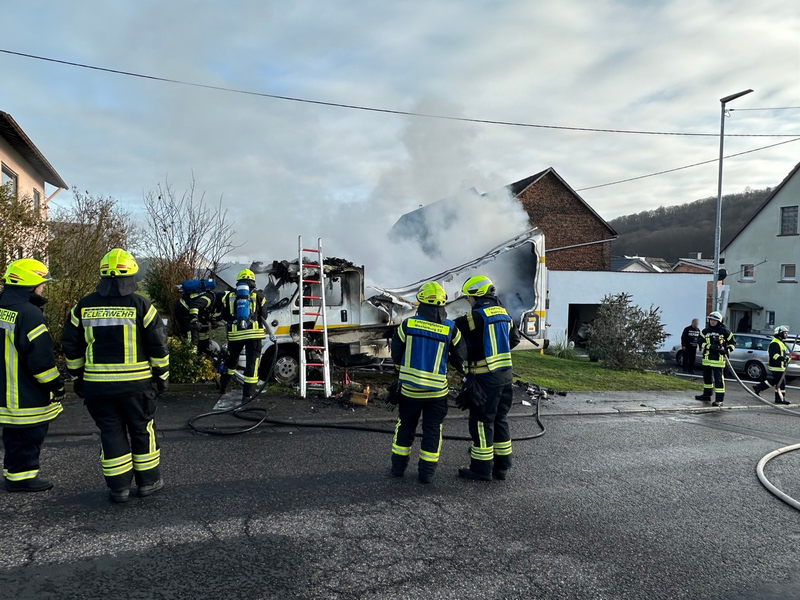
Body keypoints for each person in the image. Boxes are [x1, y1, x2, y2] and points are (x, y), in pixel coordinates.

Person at [61, 249, 169, 503]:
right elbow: (158, 346)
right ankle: (149, 482)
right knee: (142, 429)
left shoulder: (83, 306)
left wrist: (78, 377)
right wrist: (162, 376)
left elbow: (71, 345)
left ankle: (118, 489)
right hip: (137, 387)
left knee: (111, 432)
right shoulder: (142, 305)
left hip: (98, 388)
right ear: (131, 275)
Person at [388, 282, 466, 484]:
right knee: (433, 430)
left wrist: (400, 373)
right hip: (437, 393)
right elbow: (460, 357)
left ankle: (398, 469)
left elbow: (396, 354)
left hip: (410, 391)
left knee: (405, 427)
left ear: (421, 301)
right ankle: (426, 473)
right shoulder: (451, 328)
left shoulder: (408, 325)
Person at [1, 259, 65, 493]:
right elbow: (41, 361)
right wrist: (56, 386)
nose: (43, 288)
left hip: (4, 389)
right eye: (41, 283)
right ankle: (22, 478)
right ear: (31, 285)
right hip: (24, 391)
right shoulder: (29, 314)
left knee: (12, 434)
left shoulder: (3, 307)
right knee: (30, 433)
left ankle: (12, 473)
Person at [454, 275, 520, 481]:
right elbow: (514, 340)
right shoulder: (504, 314)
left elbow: (455, 328)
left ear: (477, 296)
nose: (468, 302)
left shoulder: (478, 317)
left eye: (469, 298)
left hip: (485, 378)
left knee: (482, 422)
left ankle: (481, 469)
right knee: (500, 419)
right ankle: (502, 467)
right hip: (505, 377)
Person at [218, 269, 268, 402]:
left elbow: (225, 316)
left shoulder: (228, 296)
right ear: (253, 282)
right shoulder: (259, 296)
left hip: (235, 335)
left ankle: (223, 386)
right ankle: (248, 395)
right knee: (252, 364)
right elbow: (264, 316)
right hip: (254, 335)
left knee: (231, 361)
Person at [694, 311, 735, 407]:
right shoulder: (705, 331)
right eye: (711, 320)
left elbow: (733, 344)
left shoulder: (725, 332)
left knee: (719, 381)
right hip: (707, 359)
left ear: (719, 321)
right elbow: (700, 342)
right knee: (707, 379)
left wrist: (727, 350)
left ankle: (719, 400)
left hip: (719, 361)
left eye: (714, 320)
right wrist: (709, 346)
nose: (712, 322)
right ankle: (707, 395)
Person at [173, 280, 218, 355]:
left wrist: (212, 321)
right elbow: (194, 306)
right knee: (192, 332)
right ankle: (190, 357)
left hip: (188, 310)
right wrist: (195, 321)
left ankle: (202, 350)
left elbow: (205, 313)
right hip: (183, 310)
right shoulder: (209, 298)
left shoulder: (211, 298)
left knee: (203, 329)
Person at [752, 325, 791, 405]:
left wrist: (786, 358)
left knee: (776, 381)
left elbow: (781, 354)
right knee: (781, 382)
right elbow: (774, 355)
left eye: (786, 333)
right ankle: (779, 399)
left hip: (780, 366)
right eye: (784, 333)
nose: (786, 335)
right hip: (776, 366)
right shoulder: (775, 343)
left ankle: (759, 387)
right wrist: (783, 359)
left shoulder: (780, 342)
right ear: (779, 333)